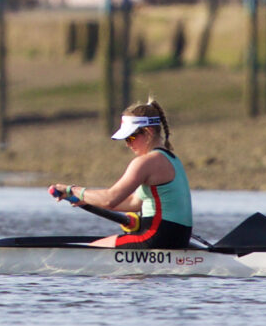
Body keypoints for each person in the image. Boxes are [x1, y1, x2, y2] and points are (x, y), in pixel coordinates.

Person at [51, 101, 192, 249]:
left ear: (148, 131)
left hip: (155, 239)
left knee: (90, 251)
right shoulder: (172, 159)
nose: (127, 144)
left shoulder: (146, 162)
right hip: (177, 240)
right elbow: (134, 203)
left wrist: (71, 190)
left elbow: (110, 199)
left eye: (130, 137)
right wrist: (88, 199)